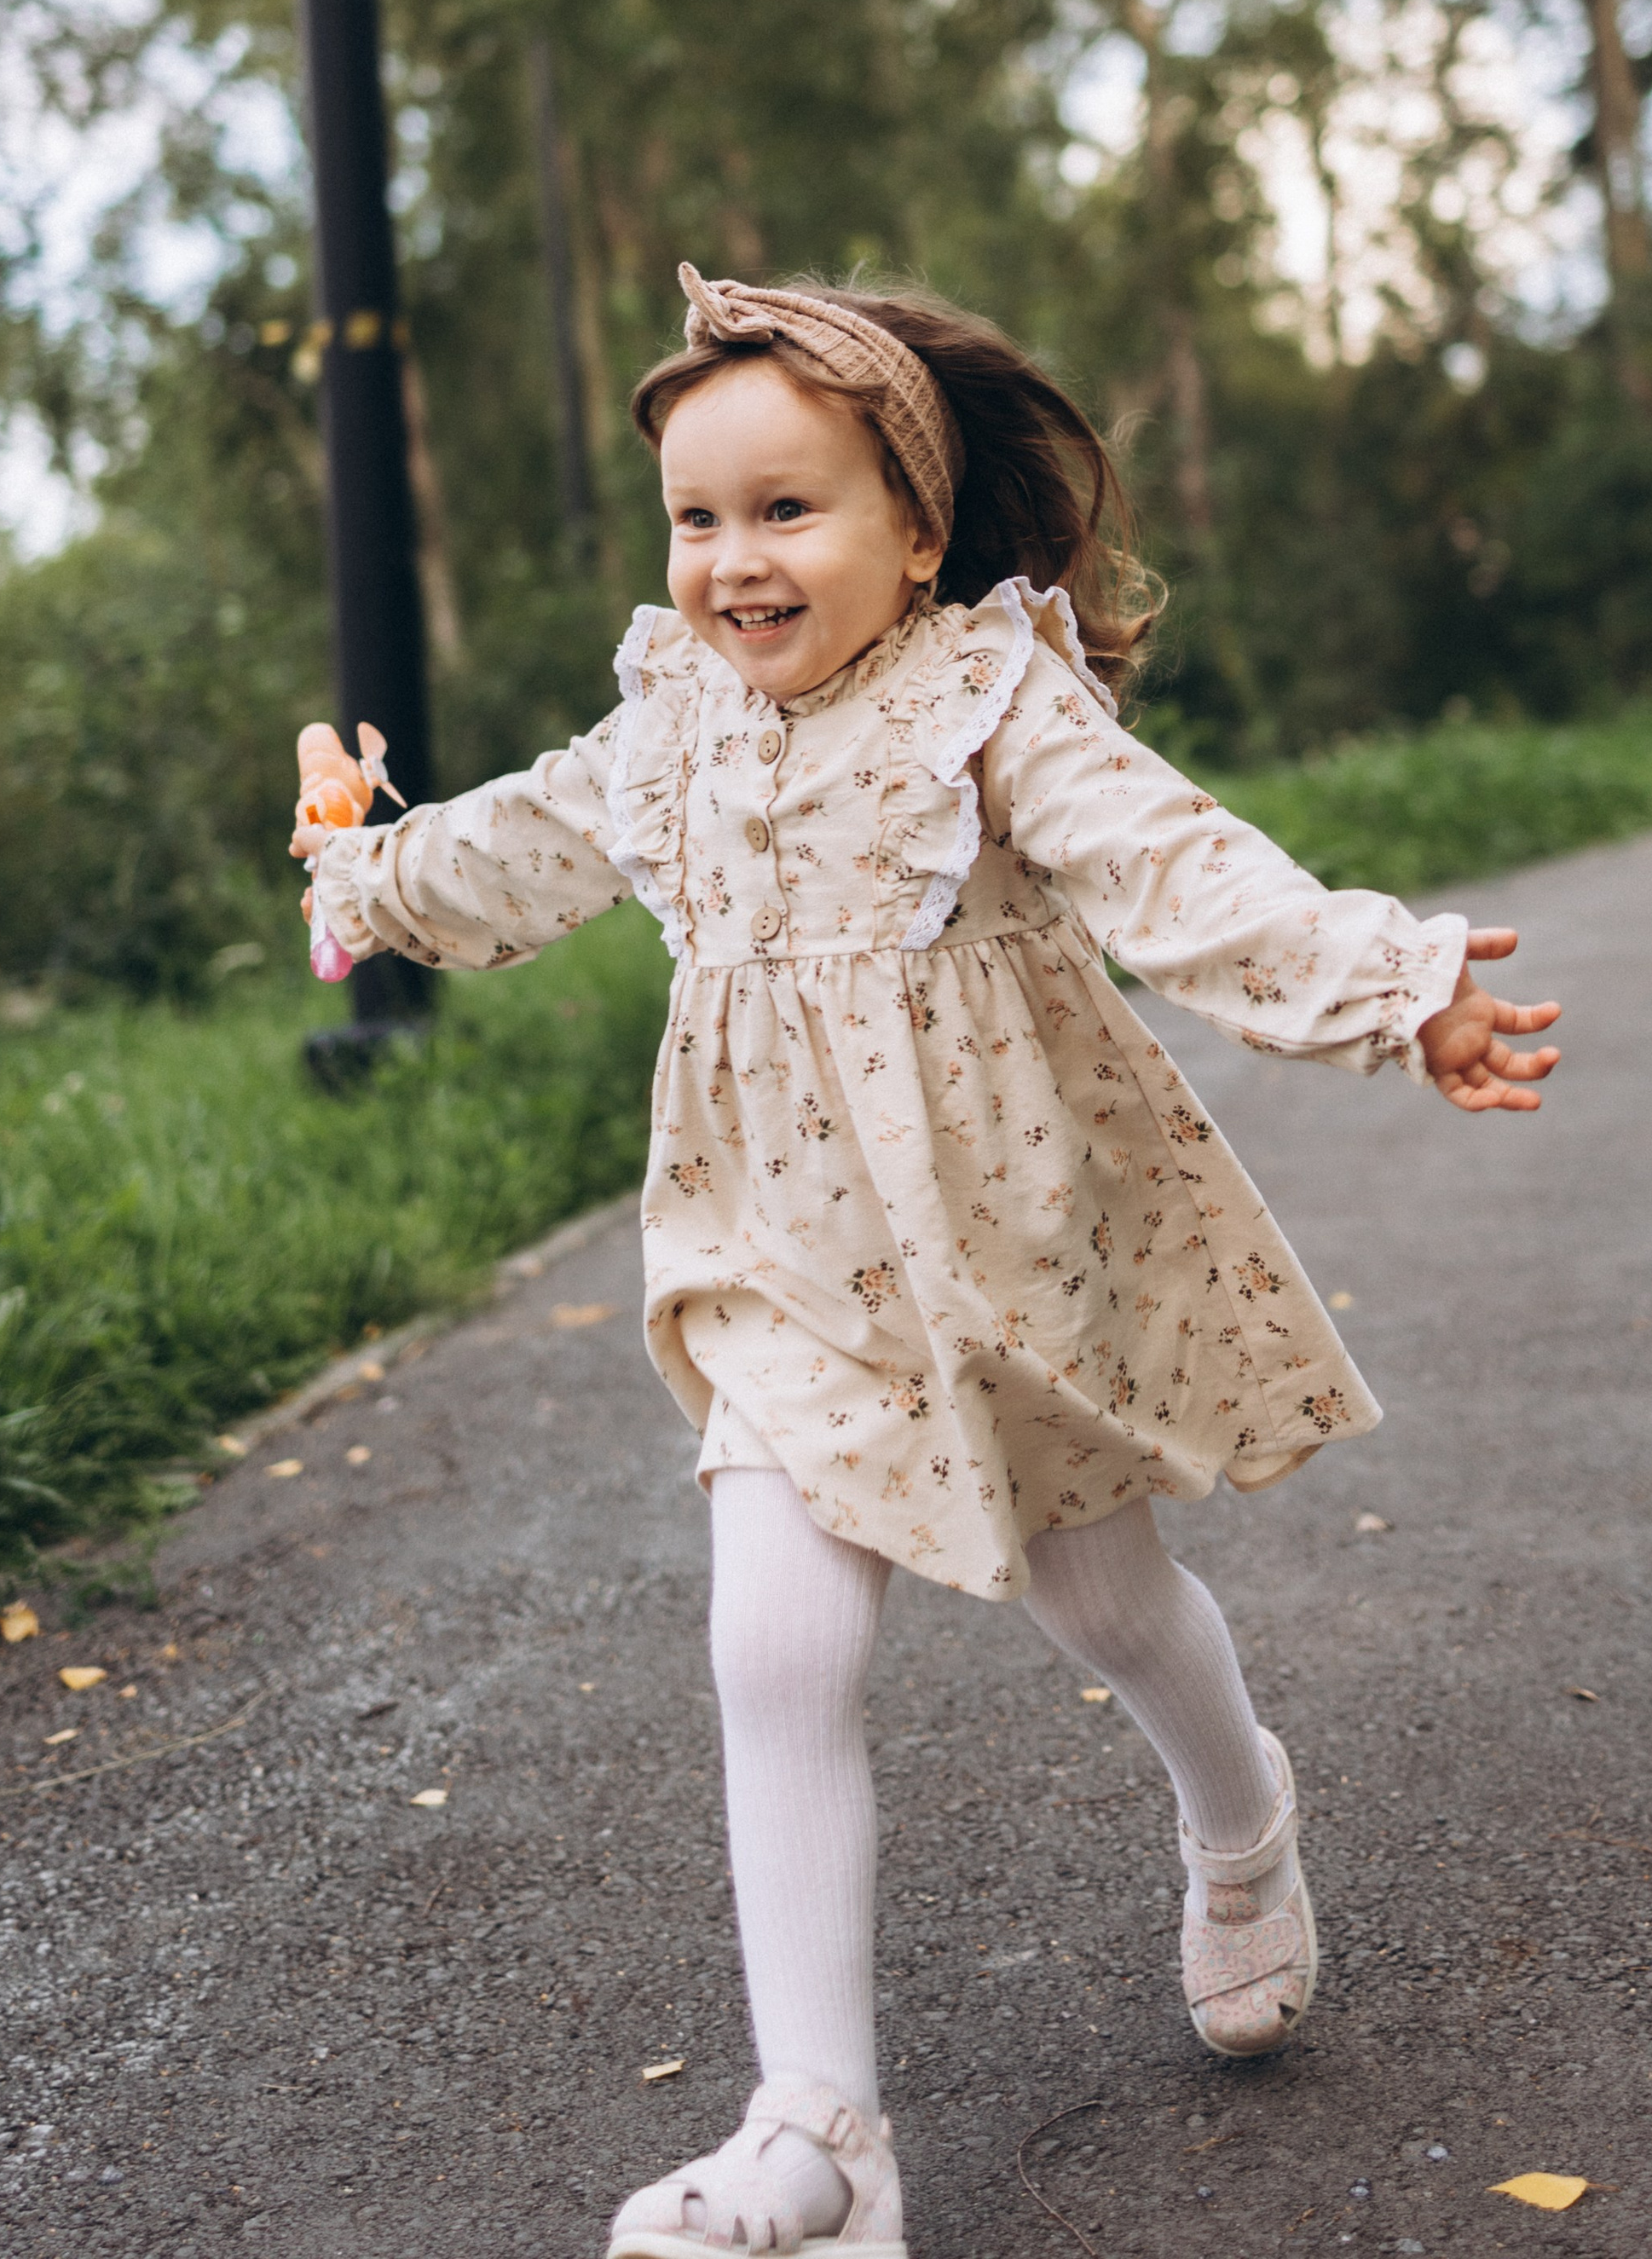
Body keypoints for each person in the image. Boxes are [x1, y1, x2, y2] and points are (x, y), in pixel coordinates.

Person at [296, 266, 1562, 2259]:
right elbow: (507, 850)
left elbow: (1174, 866)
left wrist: (1385, 986)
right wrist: (360, 865)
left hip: (1004, 1254)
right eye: (696, 518)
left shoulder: (986, 700)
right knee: (774, 1640)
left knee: (1109, 1606)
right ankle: (818, 2137)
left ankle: (1240, 1825)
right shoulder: (665, 730)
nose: (732, 562)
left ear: (911, 524)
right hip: (775, 1257)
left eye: (785, 510)